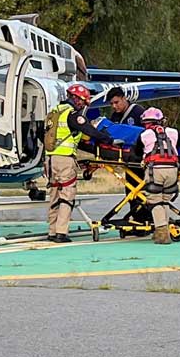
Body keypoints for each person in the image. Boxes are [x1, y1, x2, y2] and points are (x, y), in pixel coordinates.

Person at [45, 84, 118, 243]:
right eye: (82, 102)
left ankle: (52, 231)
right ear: (76, 99)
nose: (82, 106)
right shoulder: (72, 115)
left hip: (50, 159)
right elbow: (89, 131)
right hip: (64, 159)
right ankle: (61, 233)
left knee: (54, 195)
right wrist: (109, 140)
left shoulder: (53, 112)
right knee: (67, 195)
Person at [130, 107, 180, 244]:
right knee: (165, 200)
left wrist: (142, 159)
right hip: (173, 170)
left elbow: (135, 153)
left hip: (155, 170)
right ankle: (164, 229)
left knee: (154, 201)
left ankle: (161, 233)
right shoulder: (174, 132)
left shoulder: (144, 135)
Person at [106, 86, 146, 220]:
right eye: (111, 104)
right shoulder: (114, 117)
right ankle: (136, 217)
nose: (114, 106)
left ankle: (145, 217)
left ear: (124, 99)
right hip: (128, 160)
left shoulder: (138, 112)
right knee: (131, 190)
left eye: (116, 102)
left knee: (142, 188)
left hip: (141, 158)